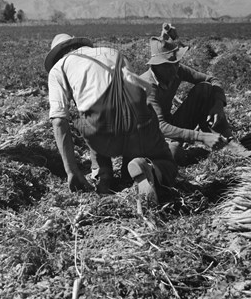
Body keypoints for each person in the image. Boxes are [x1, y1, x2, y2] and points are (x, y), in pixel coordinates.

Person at [45, 34, 178, 203]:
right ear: (77, 44)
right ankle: (148, 169)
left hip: (100, 128)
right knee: (166, 162)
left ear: (57, 56)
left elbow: (58, 121)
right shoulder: (112, 52)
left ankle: (104, 176)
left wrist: (71, 171)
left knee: (87, 116)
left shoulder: (59, 68)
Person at [139, 23, 233, 164]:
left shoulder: (177, 70)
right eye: (170, 65)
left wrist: (218, 105)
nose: (175, 68)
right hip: (147, 136)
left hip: (170, 125)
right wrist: (200, 136)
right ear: (157, 66)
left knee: (205, 88)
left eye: (177, 63)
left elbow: (212, 79)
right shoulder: (147, 86)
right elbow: (161, 126)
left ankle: (227, 141)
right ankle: (191, 153)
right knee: (174, 152)